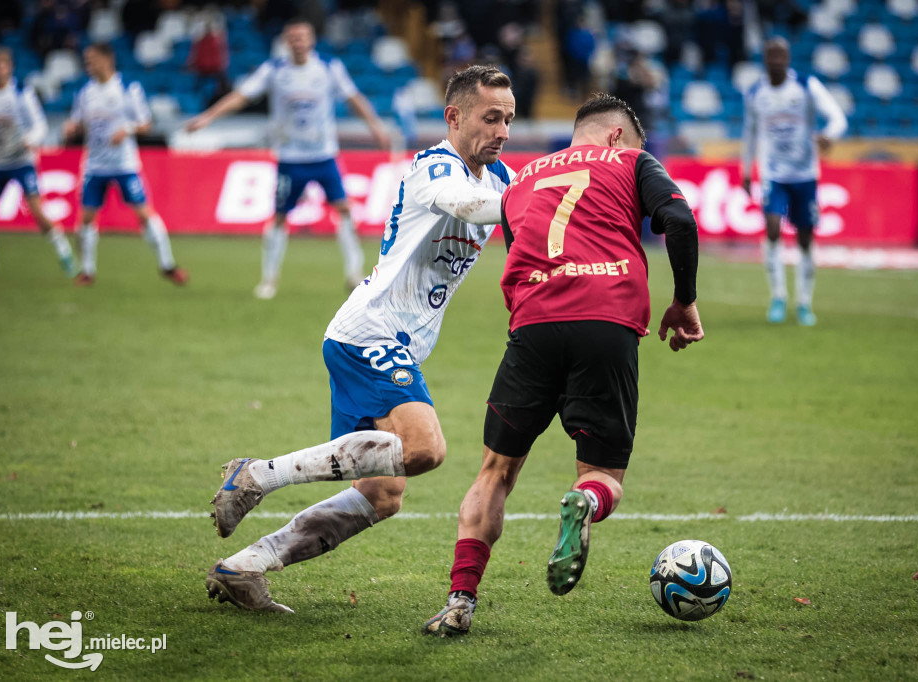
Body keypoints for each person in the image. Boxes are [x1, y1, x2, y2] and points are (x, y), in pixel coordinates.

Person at [204, 65, 516, 614]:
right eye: (491, 118)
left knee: (382, 495)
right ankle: (255, 475)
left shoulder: (500, 181)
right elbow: (471, 209)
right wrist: (536, 196)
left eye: (509, 120)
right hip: (371, 331)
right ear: (454, 117)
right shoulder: (431, 168)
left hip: (391, 342)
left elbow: (526, 231)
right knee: (426, 449)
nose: (503, 131)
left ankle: (245, 566)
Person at [423, 93, 704, 637]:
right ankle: (585, 499)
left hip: (532, 326)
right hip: (607, 321)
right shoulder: (631, 162)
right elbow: (678, 219)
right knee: (603, 477)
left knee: (495, 473)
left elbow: (517, 247)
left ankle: (460, 598)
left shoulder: (522, 179)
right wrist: (685, 300)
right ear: (618, 136)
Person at [186, 19, 391, 299]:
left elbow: (353, 98)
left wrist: (375, 126)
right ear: (286, 42)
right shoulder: (274, 71)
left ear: (311, 40)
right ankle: (269, 279)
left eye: (302, 37)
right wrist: (208, 117)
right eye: (292, 38)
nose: (298, 42)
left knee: (343, 209)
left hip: (323, 155)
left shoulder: (329, 68)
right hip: (290, 158)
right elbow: (240, 97)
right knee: (280, 217)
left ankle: (354, 273)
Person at [62, 43, 187, 287]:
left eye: (92, 59)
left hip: (124, 164)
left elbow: (145, 123)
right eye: (86, 60)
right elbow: (78, 121)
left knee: (143, 213)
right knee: (86, 218)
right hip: (94, 166)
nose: (88, 64)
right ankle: (87, 270)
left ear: (108, 60)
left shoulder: (128, 88)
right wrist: (72, 127)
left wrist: (126, 130)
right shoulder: (85, 92)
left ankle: (167, 264)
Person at [741, 37, 846, 326]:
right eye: (771, 57)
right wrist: (746, 170)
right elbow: (749, 133)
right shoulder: (755, 93)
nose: (776, 62)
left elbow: (838, 118)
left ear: (787, 59)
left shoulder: (806, 85)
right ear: (764, 60)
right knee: (772, 228)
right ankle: (778, 296)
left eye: (781, 57)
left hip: (805, 175)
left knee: (805, 238)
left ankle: (804, 302)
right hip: (773, 174)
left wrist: (829, 135)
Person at [0, 48, 75, 274]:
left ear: (9, 68)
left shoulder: (21, 94)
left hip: (22, 162)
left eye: (3, 65)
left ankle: (64, 252)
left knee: (38, 214)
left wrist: (30, 139)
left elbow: (40, 125)